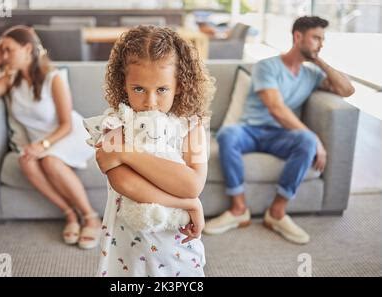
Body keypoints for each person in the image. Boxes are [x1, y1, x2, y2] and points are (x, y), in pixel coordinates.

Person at [204, 16, 355, 244]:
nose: (320, 43)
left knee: (304, 143)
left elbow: (347, 89)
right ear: (297, 37)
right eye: (315, 38)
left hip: (279, 136)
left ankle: (276, 213)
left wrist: (319, 61)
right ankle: (238, 210)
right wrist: (314, 136)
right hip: (249, 130)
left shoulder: (312, 75)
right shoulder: (267, 66)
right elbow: (275, 108)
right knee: (227, 135)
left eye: (322, 39)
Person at [92, 25, 215, 276]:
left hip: (177, 245)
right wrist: (190, 205)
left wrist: (125, 153)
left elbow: (192, 185)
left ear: (179, 85)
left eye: (161, 89)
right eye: (139, 89)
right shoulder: (114, 125)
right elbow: (126, 184)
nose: (150, 101)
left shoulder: (193, 126)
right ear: (123, 84)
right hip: (127, 249)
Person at [0, 25, 101, 249]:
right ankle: (69, 214)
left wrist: (43, 145)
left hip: (70, 134)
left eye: (9, 50)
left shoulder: (53, 77)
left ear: (27, 48)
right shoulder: (11, 80)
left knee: (49, 161)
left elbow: (67, 124)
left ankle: (90, 217)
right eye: (2, 51)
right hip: (42, 141)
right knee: (26, 162)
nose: (5, 55)